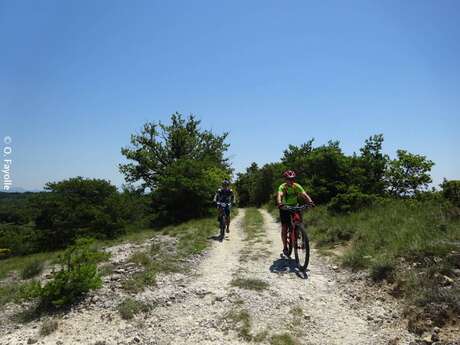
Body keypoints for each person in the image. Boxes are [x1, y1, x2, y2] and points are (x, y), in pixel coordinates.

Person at [276, 170, 314, 257]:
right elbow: (279, 195)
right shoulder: (282, 187)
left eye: (293, 179)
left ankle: (301, 236)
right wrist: (279, 203)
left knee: (299, 222)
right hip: (284, 207)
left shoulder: (296, 186)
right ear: (285, 179)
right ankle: (285, 246)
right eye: (289, 179)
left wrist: (310, 202)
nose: (291, 180)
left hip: (295, 206)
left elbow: (304, 194)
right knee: (285, 227)